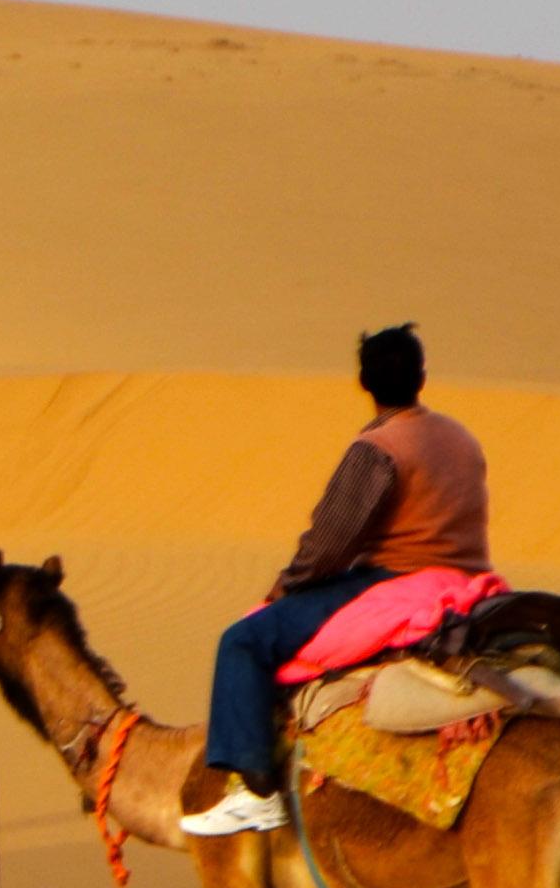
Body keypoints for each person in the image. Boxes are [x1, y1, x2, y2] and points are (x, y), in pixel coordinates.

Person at [178, 325, 489, 836]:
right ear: (422, 376)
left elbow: (329, 545)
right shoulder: (462, 438)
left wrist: (283, 590)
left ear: (363, 382)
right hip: (469, 581)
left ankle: (255, 791)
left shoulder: (377, 448)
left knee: (243, 642)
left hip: (397, 581)